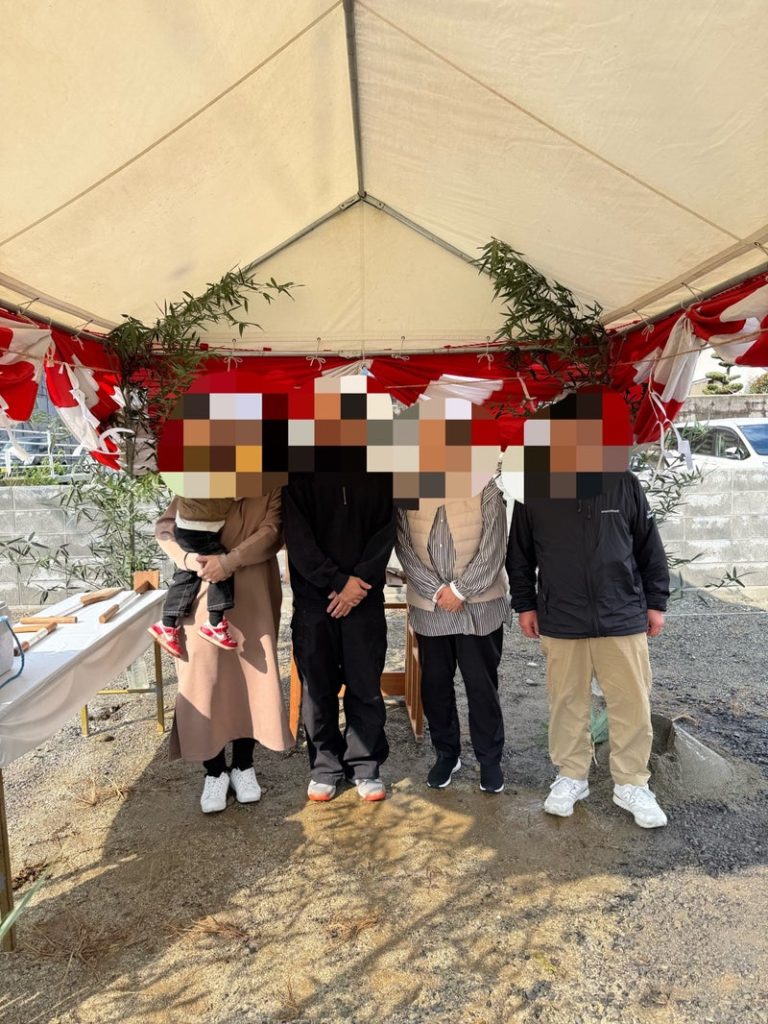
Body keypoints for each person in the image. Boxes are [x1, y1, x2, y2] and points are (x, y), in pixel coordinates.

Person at [506, 463, 670, 828]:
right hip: (562, 616)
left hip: (621, 613)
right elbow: (519, 554)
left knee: (632, 701)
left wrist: (656, 602)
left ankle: (631, 783)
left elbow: (649, 546)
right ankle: (571, 776)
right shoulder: (532, 487)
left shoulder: (623, 482)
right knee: (566, 700)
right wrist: (525, 604)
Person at [155, 491, 293, 814]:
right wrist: (189, 559)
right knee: (204, 680)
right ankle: (214, 771)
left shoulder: (271, 482)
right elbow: (165, 527)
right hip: (202, 591)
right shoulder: (200, 474)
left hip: (254, 590)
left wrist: (229, 561)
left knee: (252, 678)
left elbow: (273, 531)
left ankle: (244, 765)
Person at [283, 472, 395, 802]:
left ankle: (365, 765)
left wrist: (357, 582)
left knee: (365, 683)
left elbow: (388, 531)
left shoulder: (382, 467)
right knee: (317, 688)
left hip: (364, 597)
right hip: (315, 599)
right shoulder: (298, 469)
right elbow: (297, 536)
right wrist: (335, 581)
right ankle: (324, 767)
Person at [396, 480, 509, 794]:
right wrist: (436, 591)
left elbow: (494, 545)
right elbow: (403, 546)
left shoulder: (486, 486)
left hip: (479, 604)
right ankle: (447, 753)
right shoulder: (408, 485)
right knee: (435, 684)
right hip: (430, 605)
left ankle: (490, 759)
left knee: (481, 685)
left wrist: (460, 590)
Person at [149, 497, 238, 657]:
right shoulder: (211, 483)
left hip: (191, 527)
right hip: (197, 528)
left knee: (187, 574)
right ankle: (214, 623)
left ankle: (167, 623)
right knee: (220, 563)